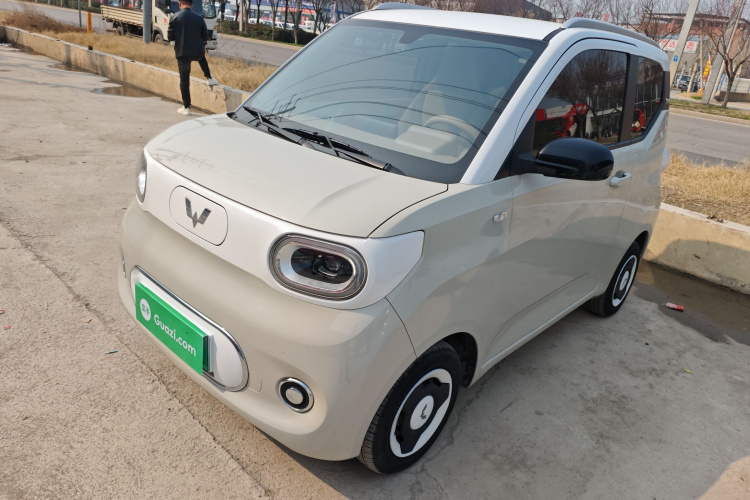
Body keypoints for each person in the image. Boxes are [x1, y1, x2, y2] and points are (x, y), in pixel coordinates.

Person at [167, 0, 218, 116]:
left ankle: (186, 107)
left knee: (184, 80)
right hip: (197, 51)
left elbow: (170, 37)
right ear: (192, 5)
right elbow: (205, 36)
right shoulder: (199, 18)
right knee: (201, 57)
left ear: (180, 4)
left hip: (182, 52)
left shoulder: (174, 17)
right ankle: (209, 77)